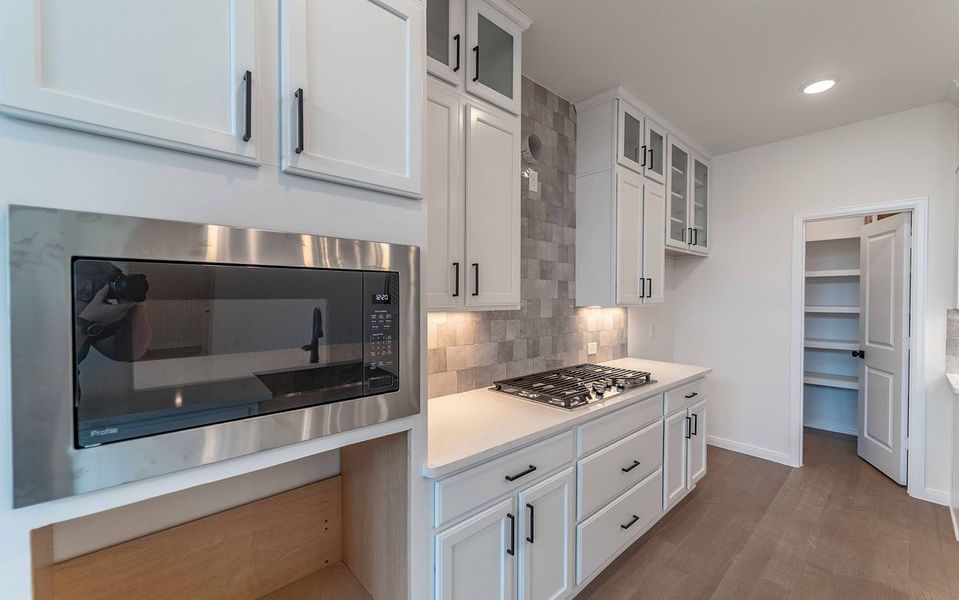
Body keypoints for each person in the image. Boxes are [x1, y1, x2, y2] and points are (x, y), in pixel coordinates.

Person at [74, 261, 152, 363]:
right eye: (83, 290)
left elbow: (126, 353)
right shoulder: (48, 312)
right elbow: (53, 365)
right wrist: (85, 322)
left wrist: (136, 308)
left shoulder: (90, 307)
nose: (87, 295)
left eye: (95, 288)